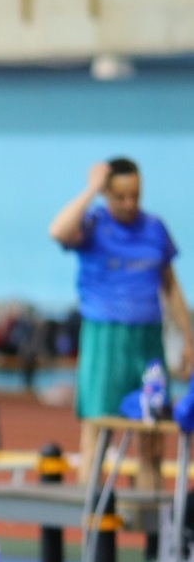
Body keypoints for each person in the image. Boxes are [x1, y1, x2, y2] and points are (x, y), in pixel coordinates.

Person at [49, 159, 194, 500]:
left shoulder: (155, 228)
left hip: (148, 340)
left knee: (152, 436)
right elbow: (57, 231)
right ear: (106, 194)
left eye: (136, 195)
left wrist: (188, 338)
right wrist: (91, 189)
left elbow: (171, 287)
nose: (130, 203)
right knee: (98, 433)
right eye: (121, 197)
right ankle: (90, 521)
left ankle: (150, 527)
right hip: (105, 340)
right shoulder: (92, 225)